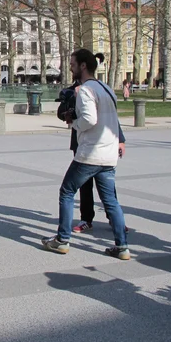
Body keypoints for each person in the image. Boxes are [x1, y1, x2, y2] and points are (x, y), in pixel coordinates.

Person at [42, 49, 129, 260]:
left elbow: (90, 119)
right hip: (108, 154)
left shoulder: (86, 90)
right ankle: (122, 246)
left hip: (91, 152)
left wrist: (74, 124)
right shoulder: (107, 89)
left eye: (72, 64)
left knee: (67, 191)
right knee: (110, 201)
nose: (69, 67)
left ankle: (62, 240)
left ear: (82, 66)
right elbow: (111, 120)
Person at [57, 82, 128, 234]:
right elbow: (61, 113)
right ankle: (86, 219)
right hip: (83, 146)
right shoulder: (74, 90)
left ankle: (115, 221)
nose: (71, 67)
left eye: (73, 65)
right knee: (85, 185)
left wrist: (120, 139)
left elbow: (113, 117)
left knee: (108, 190)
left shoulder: (101, 89)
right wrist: (71, 99)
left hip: (103, 143)